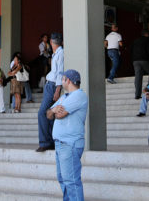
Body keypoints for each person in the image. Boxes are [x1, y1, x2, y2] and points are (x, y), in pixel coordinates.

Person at [47, 69, 88, 201]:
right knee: (63, 180)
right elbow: (48, 114)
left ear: (68, 80)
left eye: (63, 79)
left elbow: (59, 115)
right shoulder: (64, 97)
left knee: (71, 181)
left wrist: (55, 111)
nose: (61, 81)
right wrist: (53, 109)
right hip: (60, 144)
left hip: (70, 144)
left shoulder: (79, 95)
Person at [37, 32, 64, 152]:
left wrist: (58, 89)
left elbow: (60, 72)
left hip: (53, 86)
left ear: (52, 43)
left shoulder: (60, 53)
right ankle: (52, 141)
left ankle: (45, 142)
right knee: (50, 115)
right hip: (50, 85)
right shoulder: (56, 53)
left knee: (42, 113)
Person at [132, 30, 149, 100]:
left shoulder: (135, 41)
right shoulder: (147, 40)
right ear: (147, 34)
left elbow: (131, 50)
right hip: (144, 59)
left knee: (138, 76)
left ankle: (137, 94)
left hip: (135, 60)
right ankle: (148, 88)